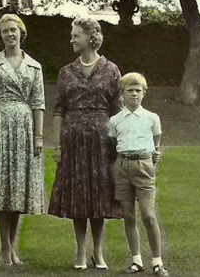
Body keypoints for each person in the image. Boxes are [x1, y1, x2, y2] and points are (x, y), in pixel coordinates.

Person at [48, 17, 122, 270]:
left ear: (91, 38)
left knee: (99, 197)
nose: (71, 39)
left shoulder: (111, 69)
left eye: (76, 34)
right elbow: (58, 110)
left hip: (103, 142)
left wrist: (119, 146)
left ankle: (98, 252)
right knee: (78, 197)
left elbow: (118, 110)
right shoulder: (66, 72)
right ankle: (81, 251)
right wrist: (57, 146)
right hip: (73, 141)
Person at [0, 13, 45, 266]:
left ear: (21, 33)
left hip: (24, 127)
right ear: (0, 35)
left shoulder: (34, 65)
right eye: (5, 31)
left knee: (18, 189)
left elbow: (39, 103)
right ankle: (4, 248)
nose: (10, 34)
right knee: (1, 187)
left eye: (13, 30)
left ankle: (13, 247)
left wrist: (39, 137)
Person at [108, 73, 169, 276]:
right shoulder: (115, 120)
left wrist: (154, 155)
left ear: (144, 93)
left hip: (144, 166)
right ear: (122, 93)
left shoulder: (152, 118)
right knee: (128, 215)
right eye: (129, 91)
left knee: (149, 215)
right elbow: (113, 144)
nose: (134, 94)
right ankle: (136, 261)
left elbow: (156, 141)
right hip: (122, 165)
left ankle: (158, 262)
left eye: (138, 90)